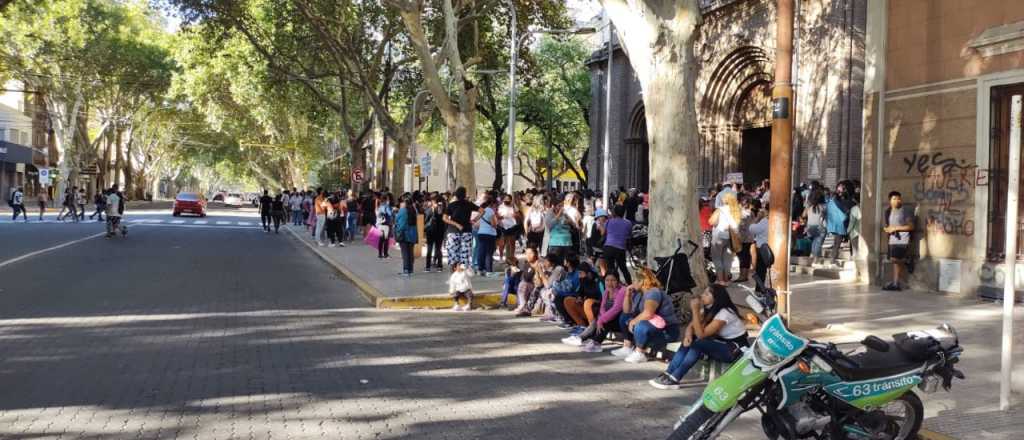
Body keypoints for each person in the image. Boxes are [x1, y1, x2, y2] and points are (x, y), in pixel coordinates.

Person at [649, 284, 750, 389]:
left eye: (707, 294)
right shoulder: (709, 308)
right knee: (689, 341)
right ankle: (668, 373)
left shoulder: (724, 313)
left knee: (698, 344)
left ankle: (675, 378)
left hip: (735, 349)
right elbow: (691, 326)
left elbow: (701, 335)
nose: (702, 296)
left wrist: (695, 310)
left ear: (716, 298)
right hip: (721, 344)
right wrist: (688, 335)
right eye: (703, 293)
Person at [616, 267, 682, 364]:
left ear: (642, 281)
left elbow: (648, 313)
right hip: (653, 327)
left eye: (634, 280)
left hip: (667, 331)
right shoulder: (639, 294)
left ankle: (640, 353)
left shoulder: (653, 292)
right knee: (624, 317)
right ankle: (627, 346)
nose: (632, 282)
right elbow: (627, 311)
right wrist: (627, 295)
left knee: (641, 324)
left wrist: (633, 321)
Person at [576, 272, 627, 353]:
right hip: (611, 319)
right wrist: (601, 318)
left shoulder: (622, 290)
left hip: (621, 320)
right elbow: (602, 307)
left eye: (613, 280)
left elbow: (616, 309)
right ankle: (587, 338)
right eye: (607, 280)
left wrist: (602, 320)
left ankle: (595, 342)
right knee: (599, 318)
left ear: (618, 281)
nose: (610, 283)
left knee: (605, 321)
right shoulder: (606, 291)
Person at [883, 191, 914, 291]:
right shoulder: (887, 211)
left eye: (899, 198)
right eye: (894, 199)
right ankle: (896, 283)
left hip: (903, 240)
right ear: (890, 200)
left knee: (894, 259)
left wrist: (895, 228)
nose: (897, 200)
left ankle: (907, 260)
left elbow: (911, 226)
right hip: (892, 239)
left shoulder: (905, 211)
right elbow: (889, 226)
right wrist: (888, 230)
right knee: (895, 262)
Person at [709, 192, 742, 283]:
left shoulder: (720, 209)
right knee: (727, 259)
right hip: (731, 237)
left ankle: (720, 280)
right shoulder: (736, 210)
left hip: (719, 235)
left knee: (717, 258)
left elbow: (712, 222)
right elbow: (737, 226)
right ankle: (726, 279)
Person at [443, 187, 479, 271]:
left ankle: (454, 271)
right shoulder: (469, 204)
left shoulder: (451, 205)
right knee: (465, 254)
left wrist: (456, 224)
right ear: (465, 194)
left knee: (453, 253)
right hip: (466, 231)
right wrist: (474, 220)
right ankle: (462, 272)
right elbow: (482, 211)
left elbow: (444, 218)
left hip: (453, 231)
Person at [600, 205, 633, 285]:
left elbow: (603, 233)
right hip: (620, 249)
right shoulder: (628, 223)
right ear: (624, 213)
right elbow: (628, 237)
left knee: (611, 270)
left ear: (614, 212)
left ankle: (612, 287)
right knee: (623, 269)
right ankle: (630, 285)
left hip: (608, 248)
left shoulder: (609, 221)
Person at [473, 194, 499, 276]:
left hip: (481, 233)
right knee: (489, 252)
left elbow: (474, 221)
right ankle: (489, 270)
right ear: (492, 204)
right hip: (490, 234)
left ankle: (480, 269)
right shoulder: (490, 211)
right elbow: (493, 224)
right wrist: (496, 224)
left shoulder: (482, 209)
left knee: (481, 251)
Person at [394, 194, 418, 277]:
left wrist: (397, 231)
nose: (400, 204)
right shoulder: (414, 209)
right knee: (410, 252)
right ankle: (410, 269)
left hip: (404, 234)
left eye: (401, 202)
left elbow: (400, 224)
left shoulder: (403, 210)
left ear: (405, 202)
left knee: (405, 253)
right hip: (412, 234)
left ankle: (406, 270)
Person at [513, 247, 541, 317]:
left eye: (530, 253)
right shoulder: (527, 263)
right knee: (512, 279)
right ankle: (522, 304)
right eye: (526, 253)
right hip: (528, 285)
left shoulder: (539, 264)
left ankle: (523, 305)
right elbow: (525, 275)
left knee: (523, 284)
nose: (528, 255)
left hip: (536, 286)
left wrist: (536, 269)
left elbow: (529, 278)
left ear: (536, 254)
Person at [802, 187, 827, 261]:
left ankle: (812, 255)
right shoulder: (824, 206)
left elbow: (803, 215)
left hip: (810, 227)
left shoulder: (809, 207)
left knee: (814, 242)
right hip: (820, 227)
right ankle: (816, 259)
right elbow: (824, 217)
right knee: (818, 243)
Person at [497, 194, 521, 267]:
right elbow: (497, 216)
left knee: (512, 242)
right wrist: (500, 217)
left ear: (511, 200)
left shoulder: (513, 206)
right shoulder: (500, 206)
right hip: (503, 226)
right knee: (502, 242)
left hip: (512, 226)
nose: (507, 200)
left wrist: (515, 215)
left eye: (508, 199)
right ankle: (501, 257)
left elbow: (519, 215)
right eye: (505, 199)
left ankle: (511, 257)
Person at [376, 193, 393, 259]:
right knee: (386, 239)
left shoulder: (379, 206)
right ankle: (385, 254)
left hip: (380, 224)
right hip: (386, 224)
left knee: (381, 239)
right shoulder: (386, 206)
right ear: (386, 199)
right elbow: (390, 214)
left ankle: (380, 254)